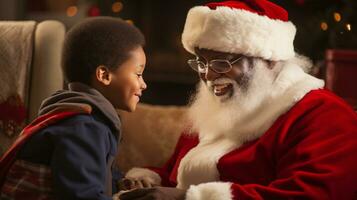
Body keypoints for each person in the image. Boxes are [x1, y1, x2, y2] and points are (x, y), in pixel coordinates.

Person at [117, 0, 357, 200]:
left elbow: (312, 194)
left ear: (269, 59)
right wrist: (147, 180)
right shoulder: (216, 110)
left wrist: (186, 197)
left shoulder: (324, 114)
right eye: (201, 62)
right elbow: (175, 176)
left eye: (222, 63)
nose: (208, 75)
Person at [0, 16, 147, 199]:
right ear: (104, 75)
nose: (143, 84)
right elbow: (81, 194)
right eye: (138, 74)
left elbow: (93, 173)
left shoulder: (78, 114)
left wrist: (120, 182)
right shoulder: (84, 126)